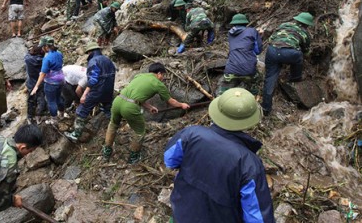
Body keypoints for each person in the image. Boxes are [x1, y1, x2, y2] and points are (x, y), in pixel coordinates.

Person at [164, 88, 274, 223]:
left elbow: (169, 160)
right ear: (249, 122)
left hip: (182, 213)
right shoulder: (249, 163)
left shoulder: (191, 134)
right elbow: (257, 217)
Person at [103, 62, 190, 164]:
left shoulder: (139, 76)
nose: (162, 78)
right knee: (140, 132)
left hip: (118, 101)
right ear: (159, 73)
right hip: (130, 107)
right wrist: (182, 105)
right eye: (163, 75)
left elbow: (136, 96)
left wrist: (149, 107)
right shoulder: (158, 84)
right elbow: (170, 101)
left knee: (113, 125)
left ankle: (106, 152)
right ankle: (133, 157)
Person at [261, 12, 314, 116]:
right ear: (307, 24)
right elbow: (306, 51)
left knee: (270, 80)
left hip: (272, 51)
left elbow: (272, 38)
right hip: (289, 53)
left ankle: (266, 109)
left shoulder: (284, 24)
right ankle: (295, 78)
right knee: (299, 56)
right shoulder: (305, 33)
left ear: (296, 20)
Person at [64, 42, 116, 143]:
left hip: (97, 90)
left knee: (82, 110)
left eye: (88, 53)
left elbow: (93, 80)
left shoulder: (93, 61)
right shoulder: (107, 60)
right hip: (109, 90)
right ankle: (114, 125)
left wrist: (84, 94)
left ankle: (75, 135)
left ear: (91, 52)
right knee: (107, 107)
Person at [217, 14, 263, 96]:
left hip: (231, 70)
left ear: (233, 24)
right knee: (255, 82)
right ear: (246, 23)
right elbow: (258, 51)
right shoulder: (252, 31)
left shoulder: (230, 33)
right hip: (249, 71)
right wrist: (259, 36)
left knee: (224, 94)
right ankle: (253, 98)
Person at [30, 36, 65, 124]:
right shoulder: (59, 53)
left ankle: (54, 119)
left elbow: (43, 73)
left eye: (43, 46)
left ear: (46, 46)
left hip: (51, 82)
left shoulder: (47, 58)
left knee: (51, 101)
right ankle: (62, 114)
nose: (42, 48)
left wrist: (36, 86)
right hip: (61, 79)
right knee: (58, 98)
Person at [24, 45, 46, 124]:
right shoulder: (43, 61)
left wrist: (31, 50)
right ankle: (38, 116)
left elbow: (27, 53)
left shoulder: (27, 59)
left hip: (31, 83)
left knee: (31, 100)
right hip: (41, 83)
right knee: (41, 100)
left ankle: (29, 117)